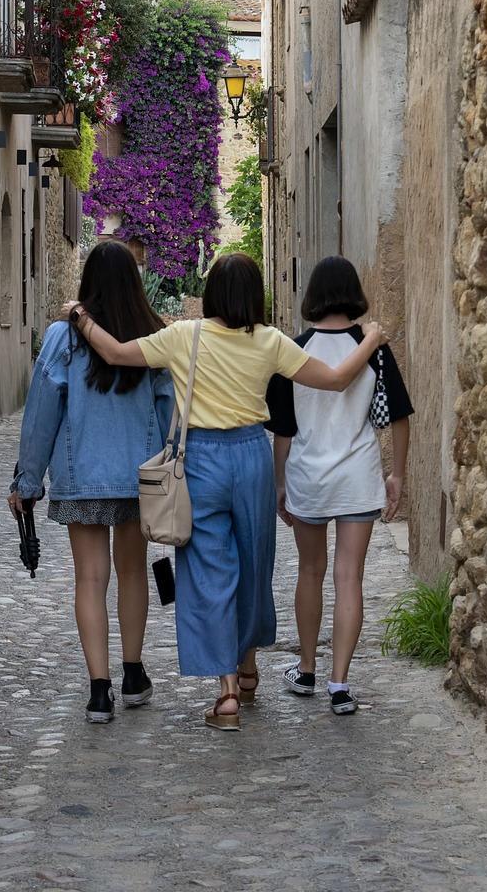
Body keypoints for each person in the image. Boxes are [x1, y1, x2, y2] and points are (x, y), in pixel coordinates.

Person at [63, 252, 388, 732]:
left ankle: (228, 691)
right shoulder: (269, 342)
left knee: (209, 572)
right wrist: (373, 340)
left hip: (201, 461)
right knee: (253, 562)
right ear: (256, 296)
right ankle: (250, 662)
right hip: (251, 456)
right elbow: (338, 380)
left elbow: (114, 352)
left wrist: (79, 317)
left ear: (211, 292)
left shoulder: (183, 336)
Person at [9, 241, 174, 725]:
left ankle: (99, 692)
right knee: (132, 573)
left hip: (82, 478)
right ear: (134, 284)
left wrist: (28, 480)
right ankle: (134, 674)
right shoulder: (153, 337)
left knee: (90, 578)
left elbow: (41, 414)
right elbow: (168, 413)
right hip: (138, 479)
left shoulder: (64, 338)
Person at [266, 255, 413, 715]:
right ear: (353, 294)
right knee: (350, 576)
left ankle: (306, 670)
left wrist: (279, 483)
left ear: (313, 295)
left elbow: (283, 430)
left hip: (309, 475)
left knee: (310, 571)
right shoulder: (373, 348)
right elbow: (398, 418)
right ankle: (340, 684)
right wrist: (398, 474)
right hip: (357, 476)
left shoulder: (294, 349)